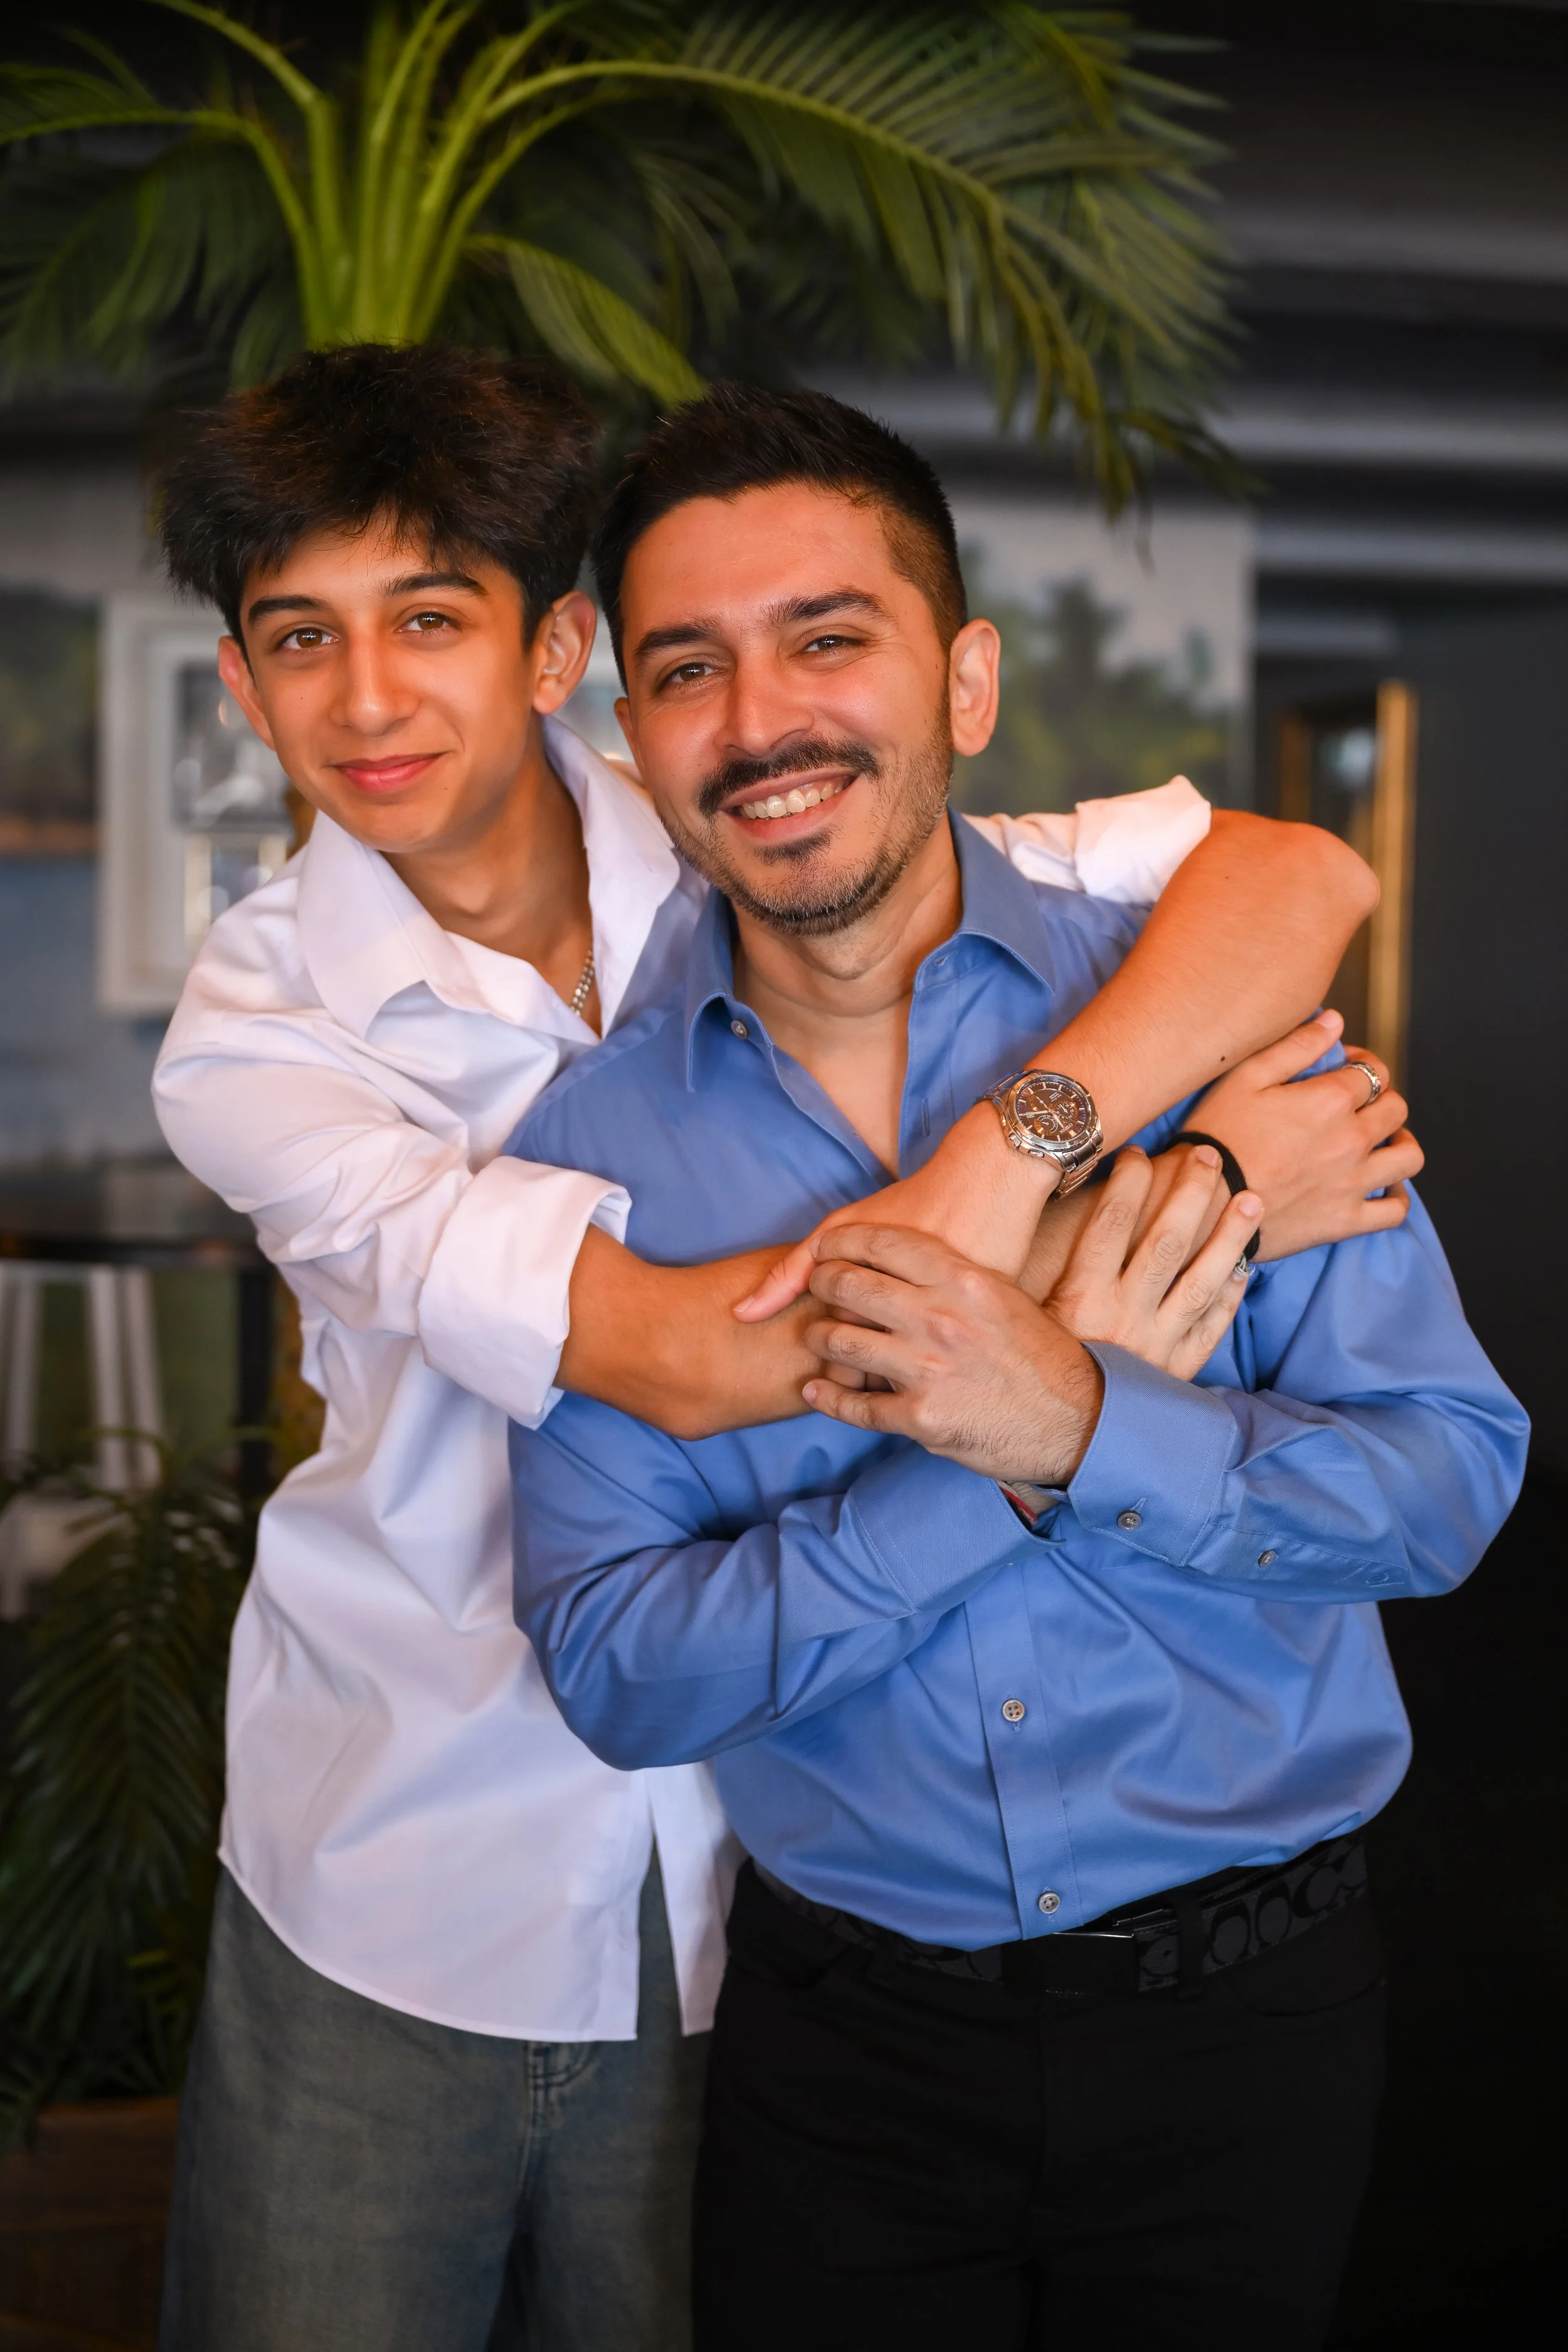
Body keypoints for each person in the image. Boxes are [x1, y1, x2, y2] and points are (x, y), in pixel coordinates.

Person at [151, 344, 1376, 2352]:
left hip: (786, 1847)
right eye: (300, 638)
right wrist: (1133, 1227)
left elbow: (1293, 869)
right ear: (241, 684)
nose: (368, 702)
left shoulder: (763, 805)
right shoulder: (257, 1035)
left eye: (431, 620)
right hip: (400, 1845)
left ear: (554, 651)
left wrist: (1021, 1143)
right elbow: (684, 1353)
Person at [508, 383, 1529, 2352]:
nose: (763, 718)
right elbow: (626, 1669)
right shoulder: (594, 1156)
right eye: (688, 668)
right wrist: (1003, 1452)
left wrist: (1068, 1416)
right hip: (843, 2051)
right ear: (633, 741)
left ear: (962, 680)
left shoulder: (1223, 1045)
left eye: (829, 636)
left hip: (1251, 2011)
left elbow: (1446, 1483)